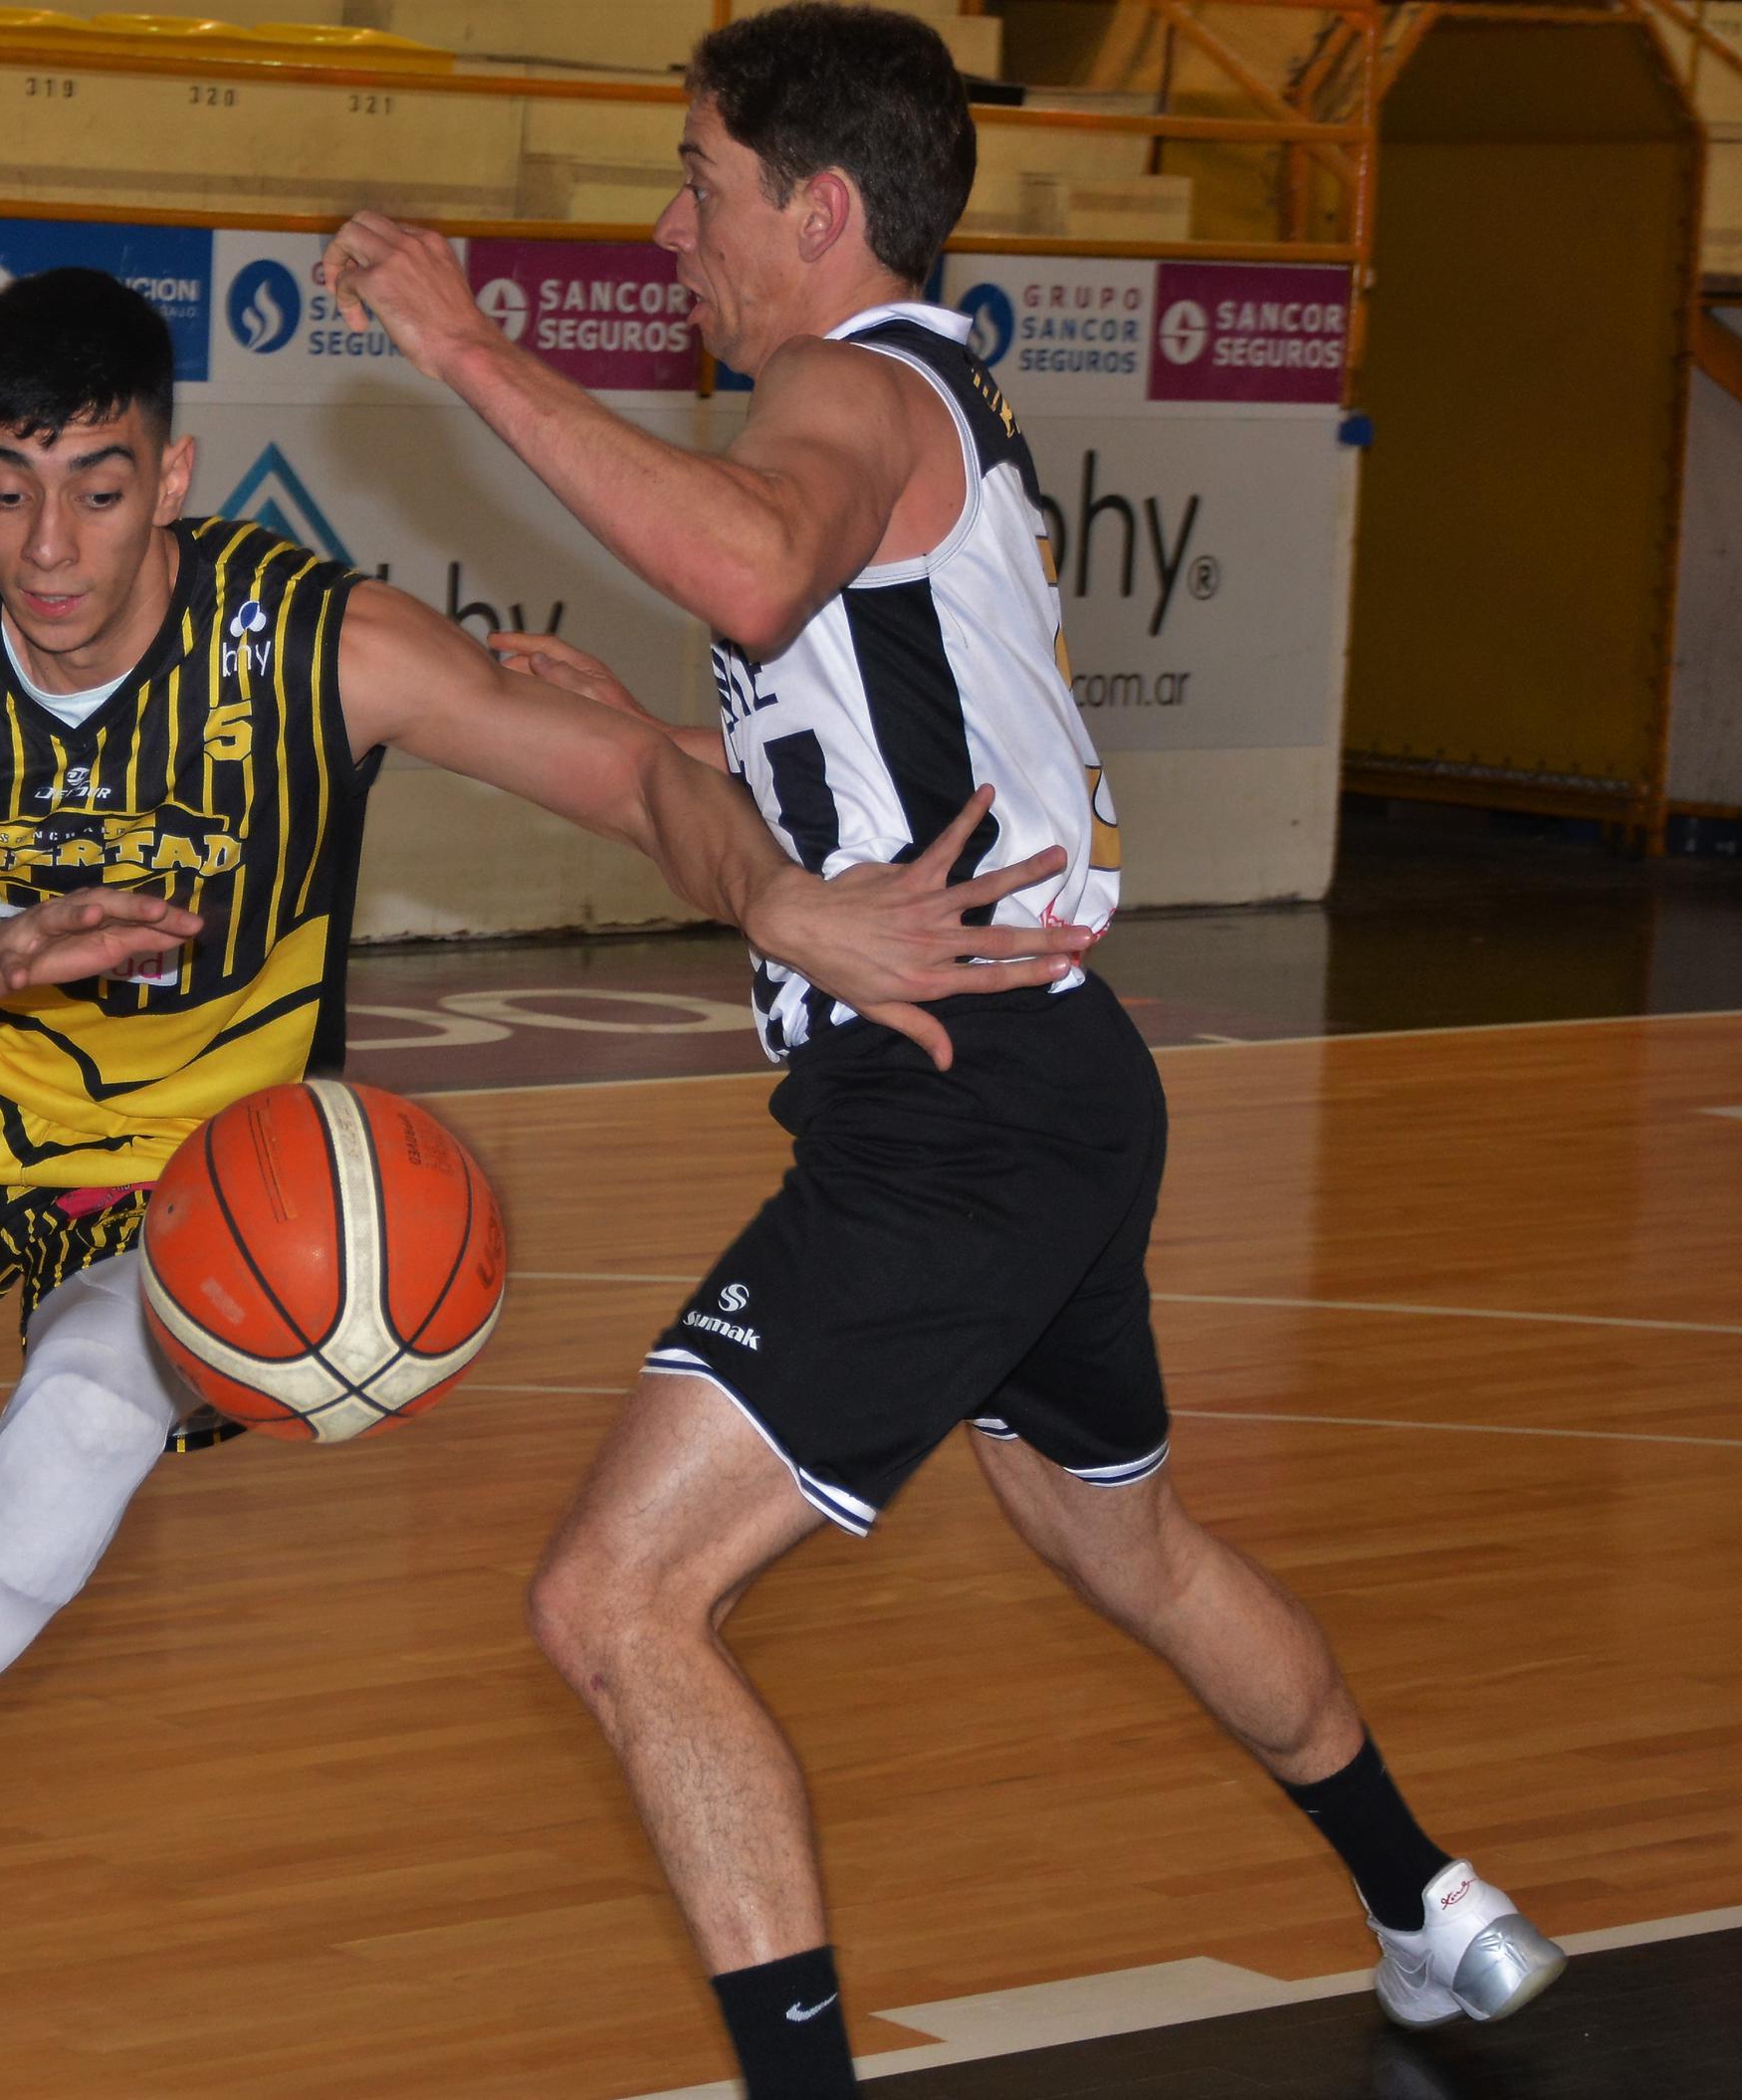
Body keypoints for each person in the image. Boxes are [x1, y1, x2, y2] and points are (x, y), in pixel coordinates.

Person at [0, 263, 1092, 2041]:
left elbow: (630, 777)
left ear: (174, 476)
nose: (49, 546)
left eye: (98, 489)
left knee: (78, 1433)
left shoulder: (313, 642)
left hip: (193, 1169)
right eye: (8, 490)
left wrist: (775, 900)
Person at [321, 10, 1564, 2094]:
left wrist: (458, 341)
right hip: (1054, 1084)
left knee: (615, 1602)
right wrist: (657, 724)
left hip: (954, 1107)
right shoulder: (920, 401)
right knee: (1118, 1539)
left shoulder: (843, 386)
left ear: (819, 209)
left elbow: (748, 560)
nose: (667, 231)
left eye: (699, 185)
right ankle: (1437, 1905)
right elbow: (847, 727)